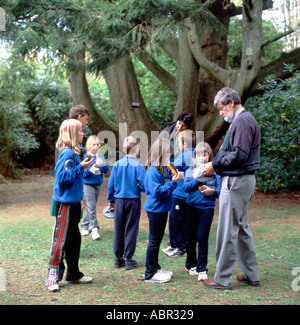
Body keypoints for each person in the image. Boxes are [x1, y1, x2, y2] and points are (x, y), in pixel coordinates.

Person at [202, 87, 260, 290]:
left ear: (231, 103)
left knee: (228, 230)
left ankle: (222, 278)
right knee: (242, 229)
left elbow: (239, 155)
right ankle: (252, 275)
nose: (220, 113)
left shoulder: (242, 121)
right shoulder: (242, 120)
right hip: (241, 181)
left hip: (236, 182)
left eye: (221, 108)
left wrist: (214, 165)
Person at [46, 119, 93, 292]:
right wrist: (81, 166)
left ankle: (73, 273)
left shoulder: (74, 154)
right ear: (73, 133)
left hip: (73, 204)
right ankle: (53, 277)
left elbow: (74, 177)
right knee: (61, 241)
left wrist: (85, 168)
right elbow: (63, 179)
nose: (82, 133)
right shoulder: (67, 154)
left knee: (74, 239)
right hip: (65, 205)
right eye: (80, 131)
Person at [144, 138, 181, 283]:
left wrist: (172, 178)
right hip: (155, 210)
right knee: (154, 240)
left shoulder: (163, 169)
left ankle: (155, 267)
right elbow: (158, 192)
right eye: (168, 154)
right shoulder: (153, 171)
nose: (169, 158)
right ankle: (150, 273)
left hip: (163, 209)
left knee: (158, 240)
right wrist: (173, 183)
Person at [107, 136, 146, 270]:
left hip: (119, 201)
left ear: (124, 150)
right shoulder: (139, 166)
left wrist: (111, 200)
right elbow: (144, 186)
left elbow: (110, 184)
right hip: (133, 200)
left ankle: (118, 259)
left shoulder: (118, 164)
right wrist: (138, 186)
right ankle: (128, 258)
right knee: (131, 229)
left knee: (119, 229)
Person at [183, 142, 220, 281]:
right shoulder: (190, 171)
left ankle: (202, 268)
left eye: (204, 155)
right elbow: (186, 188)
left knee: (202, 238)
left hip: (207, 209)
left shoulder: (215, 172)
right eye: (198, 155)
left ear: (209, 156)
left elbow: (220, 192)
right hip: (192, 207)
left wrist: (212, 191)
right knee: (191, 238)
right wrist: (198, 180)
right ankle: (190, 264)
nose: (201, 158)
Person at [163, 129, 195, 257]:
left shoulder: (186, 155)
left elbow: (173, 167)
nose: (177, 145)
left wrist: (165, 160)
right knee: (176, 220)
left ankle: (180, 247)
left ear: (185, 144)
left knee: (178, 220)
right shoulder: (192, 153)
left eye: (178, 143)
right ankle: (174, 245)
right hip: (182, 193)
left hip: (180, 194)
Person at [81, 135, 109, 240]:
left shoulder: (100, 157)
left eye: (98, 145)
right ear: (89, 146)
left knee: (91, 207)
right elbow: (83, 174)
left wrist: (103, 164)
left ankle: (84, 225)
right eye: (94, 145)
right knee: (92, 207)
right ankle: (94, 229)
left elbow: (106, 171)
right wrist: (89, 170)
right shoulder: (85, 157)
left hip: (98, 184)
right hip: (87, 184)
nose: (96, 147)